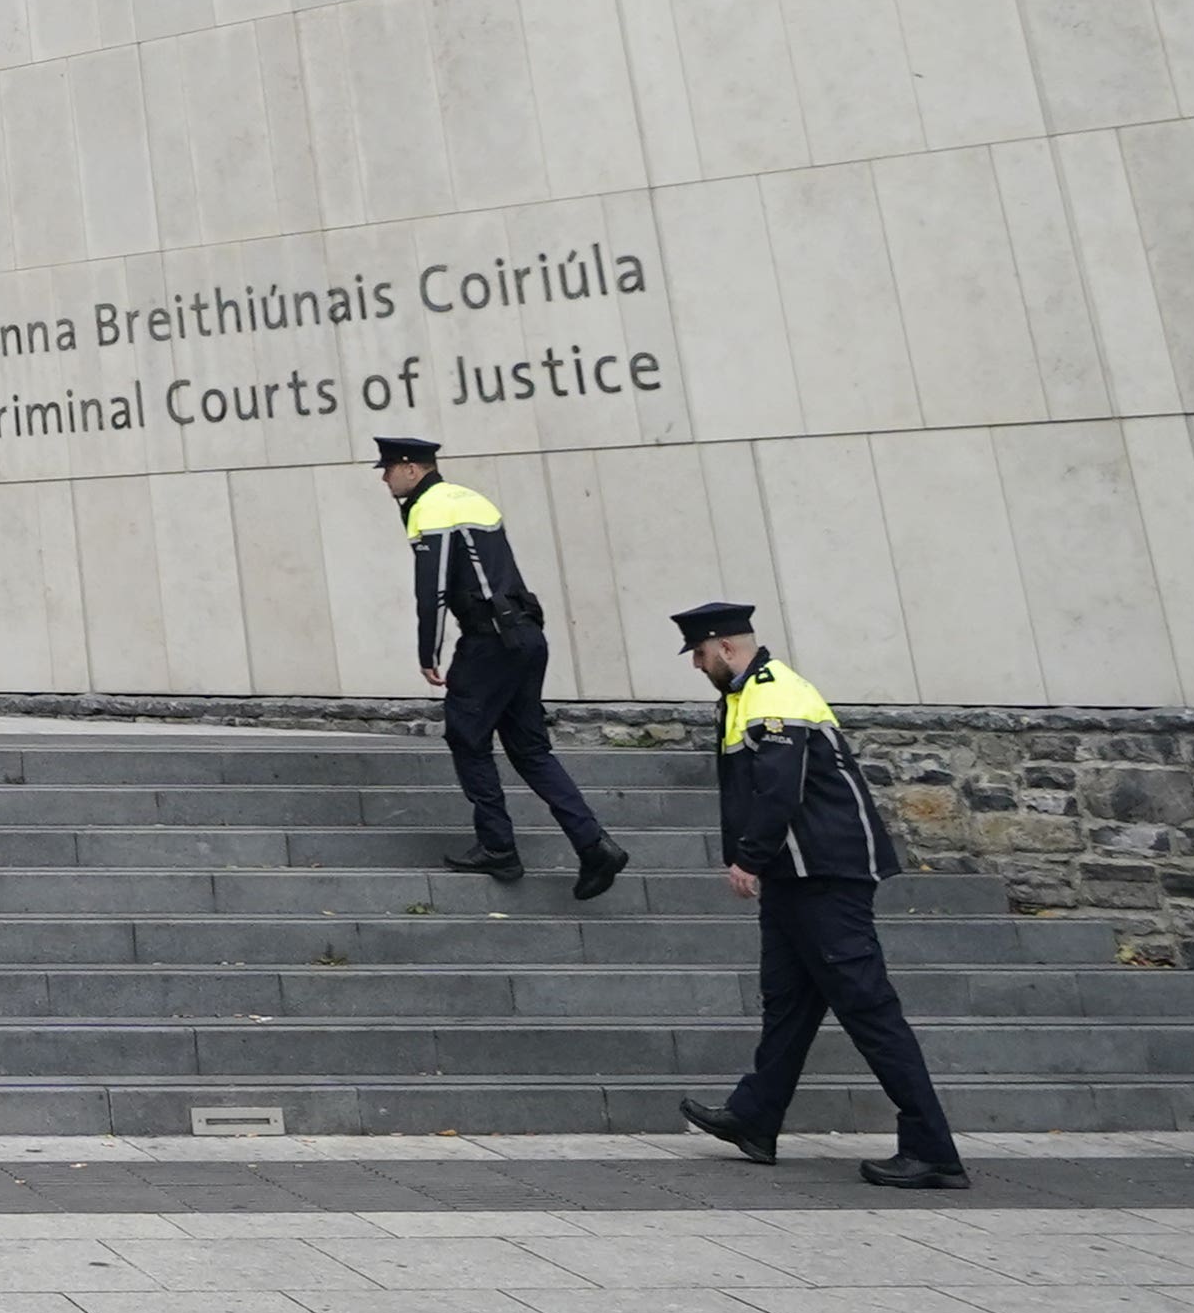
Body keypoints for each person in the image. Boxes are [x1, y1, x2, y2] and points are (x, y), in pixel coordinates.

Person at [665, 599, 965, 1191]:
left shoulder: (774, 694)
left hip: (824, 875)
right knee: (789, 1003)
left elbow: (780, 788)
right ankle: (755, 1117)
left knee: (868, 1008)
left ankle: (932, 1149)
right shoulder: (746, 695)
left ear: (726, 647)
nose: (696, 665)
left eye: (699, 654)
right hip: (794, 876)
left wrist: (749, 858)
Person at [376, 435, 624, 898]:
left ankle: (498, 847)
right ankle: (594, 845)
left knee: (466, 737)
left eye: (388, 469)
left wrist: (427, 653)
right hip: (526, 636)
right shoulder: (471, 498)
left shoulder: (431, 508)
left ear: (412, 468)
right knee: (530, 751)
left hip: (489, 643)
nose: (385, 479)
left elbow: (433, 591)